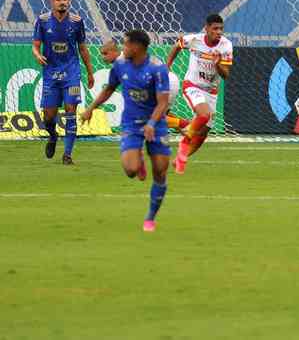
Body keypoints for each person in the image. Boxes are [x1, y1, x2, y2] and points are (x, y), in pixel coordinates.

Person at [82, 30, 170, 232]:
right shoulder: (120, 65)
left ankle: (150, 217)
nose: (123, 48)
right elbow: (109, 89)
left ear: (137, 47)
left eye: (126, 44)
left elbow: (163, 103)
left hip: (156, 123)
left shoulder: (158, 69)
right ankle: (138, 158)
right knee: (130, 170)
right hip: (131, 123)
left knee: (160, 170)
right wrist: (90, 108)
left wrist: (151, 124)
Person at [99, 40, 190, 181]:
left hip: (166, 82)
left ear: (114, 52)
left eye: (105, 54)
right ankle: (184, 128)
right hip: (170, 79)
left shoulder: (122, 62)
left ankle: (182, 124)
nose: (103, 57)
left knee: (151, 115)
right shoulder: (126, 59)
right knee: (155, 112)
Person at [32, 0, 94, 165]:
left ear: (69, 1)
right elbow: (35, 45)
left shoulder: (76, 21)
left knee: (70, 111)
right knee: (49, 117)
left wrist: (89, 72)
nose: (62, 2)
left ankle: (67, 155)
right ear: (52, 1)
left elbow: (82, 48)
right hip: (51, 74)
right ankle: (52, 136)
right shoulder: (43, 21)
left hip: (71, 74)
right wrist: (37, 54)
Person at [166, 13, 233, 175]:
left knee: (203, 133)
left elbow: (225, 75)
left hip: (211, 91)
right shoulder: (194, 40)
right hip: (192, 85)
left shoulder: (226, 46)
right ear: (206, 28)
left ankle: (181, 157)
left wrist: (217, 64)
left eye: (221, 29)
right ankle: (184, 141)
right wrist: (167, 66)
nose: (218, 32)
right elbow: (177, 46)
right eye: (215, 28)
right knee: (204, 115)